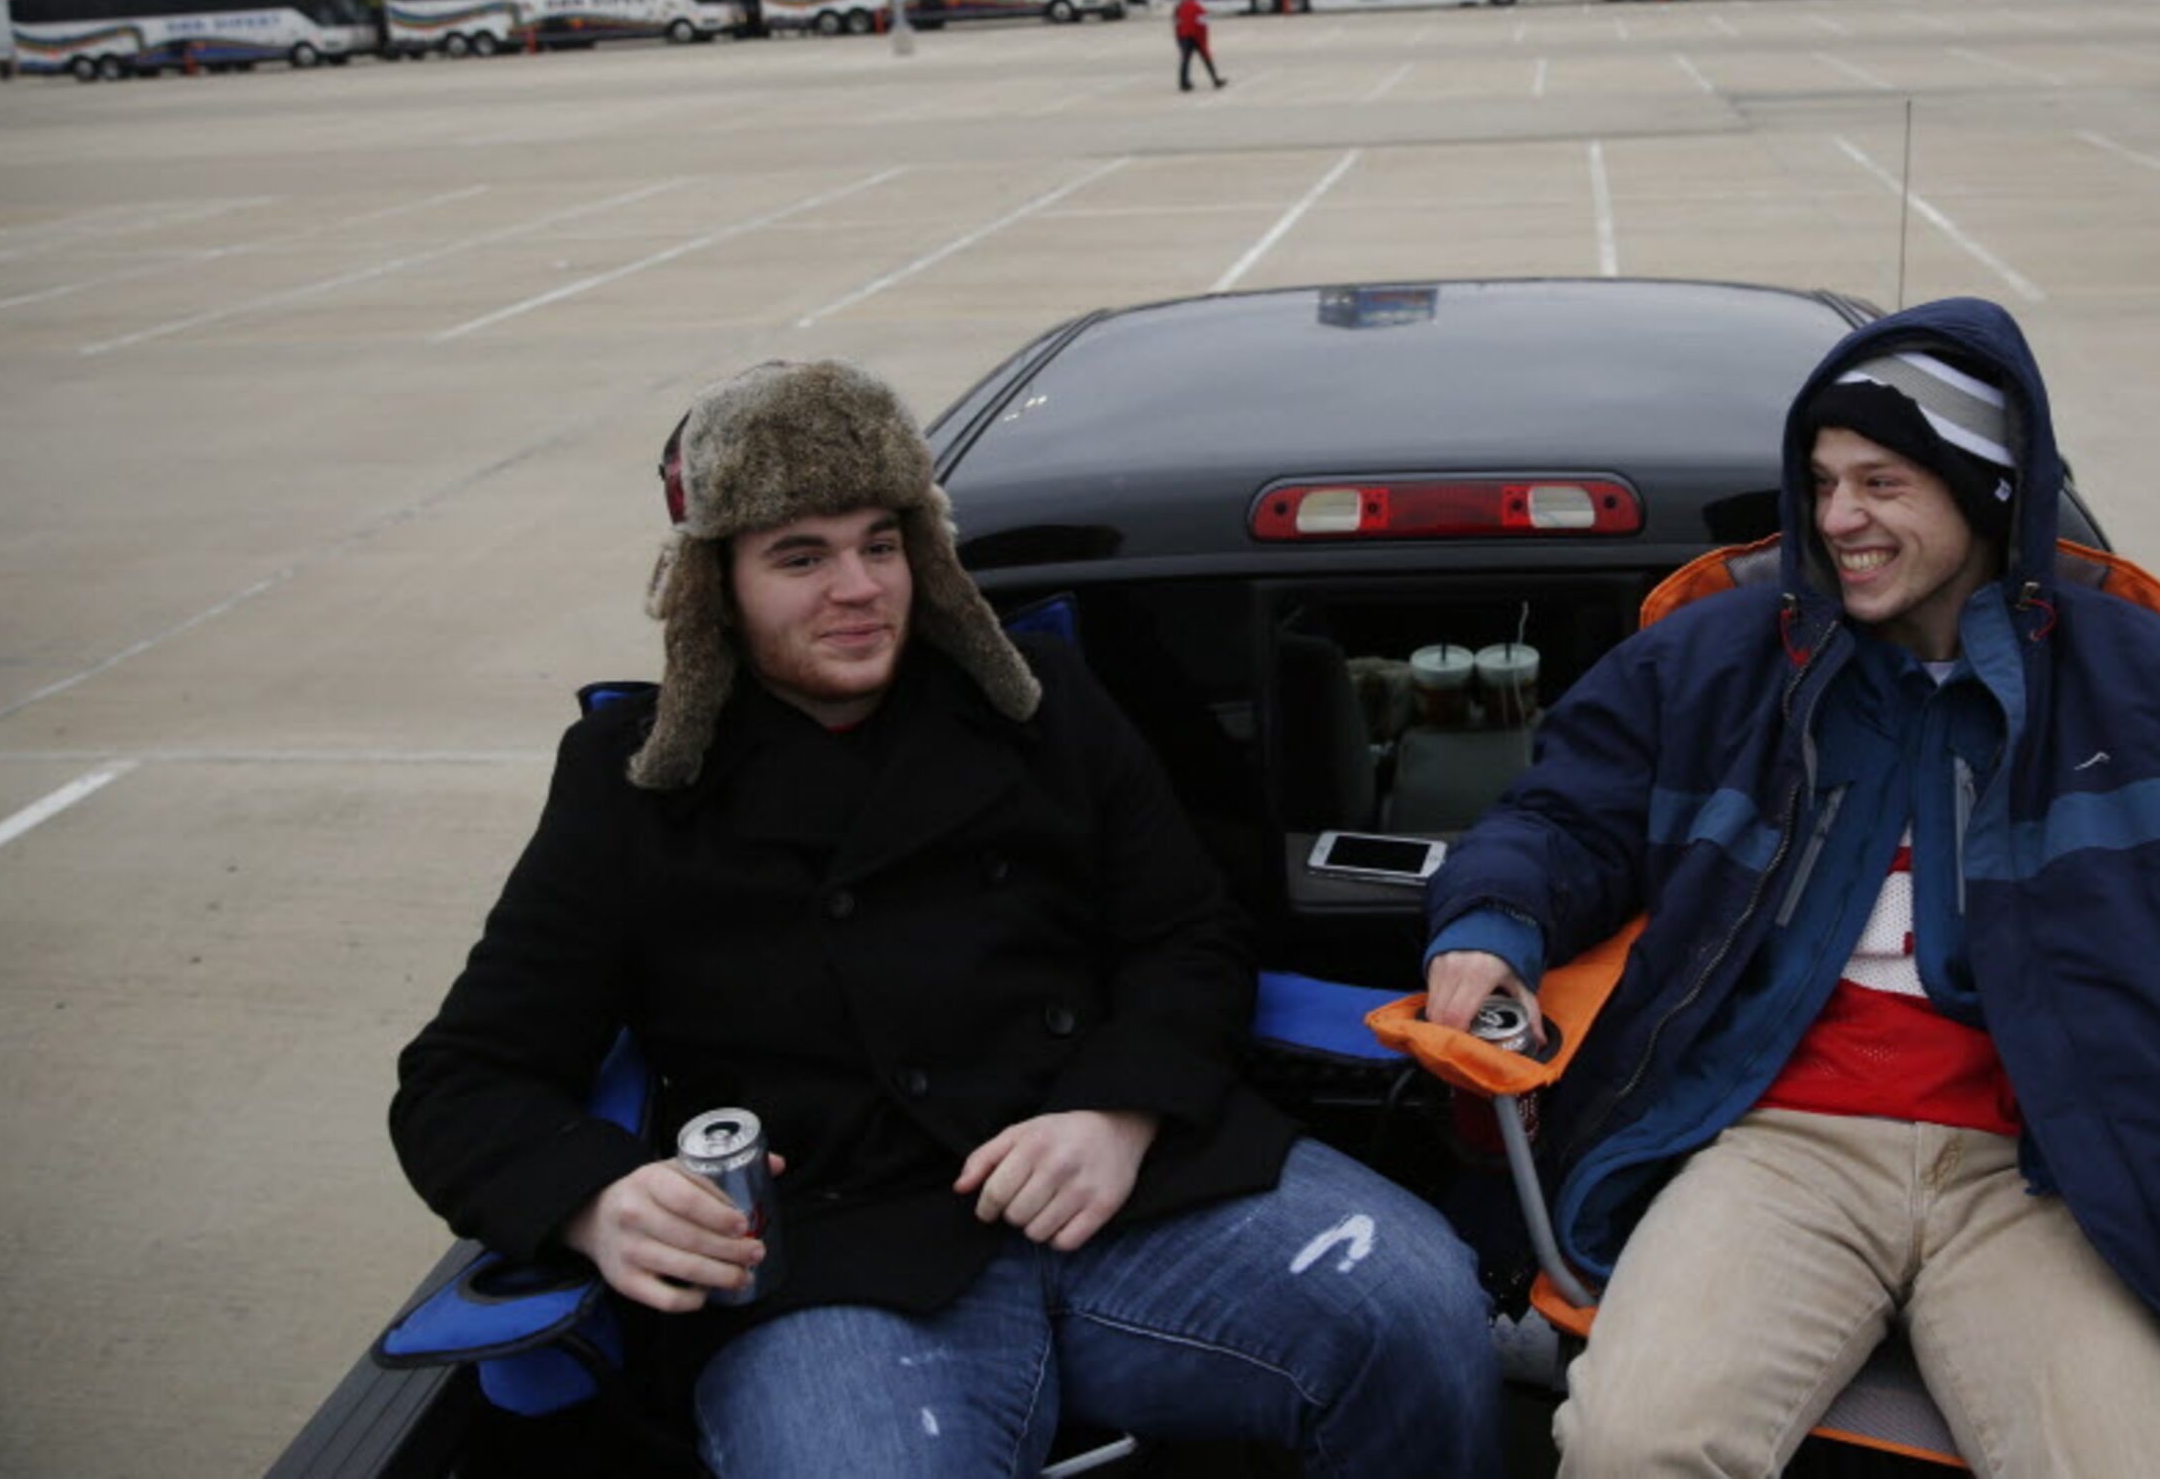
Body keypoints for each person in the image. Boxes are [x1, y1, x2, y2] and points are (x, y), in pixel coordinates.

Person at [394, 359, 1499, 1478]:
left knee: (1416, 1311)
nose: (858, 586)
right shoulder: (628, 789)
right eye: (799, 556)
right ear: (712, 584)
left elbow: (1191, 935)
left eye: (880, 543)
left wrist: (1118, 1111)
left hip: (1128, 1189)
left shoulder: (1042, 702)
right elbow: (464, 1078)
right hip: (840, 1256)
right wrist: (593, 1198)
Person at [1420, 297, 2160, 1478]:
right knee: (1632, 1447)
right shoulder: (1712, 663)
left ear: (1986, 494)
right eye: (1820, 481)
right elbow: (1556, 817)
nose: (1837, 519)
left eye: (1881, 483)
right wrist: (1491, 925)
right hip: (1769, 1141)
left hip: (2060, 1167)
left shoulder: (2155, 687)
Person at [1173, 0, 1224, 92]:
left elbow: (1177, 24)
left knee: (1185, 60)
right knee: (1206, 59)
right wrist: (1204, 42)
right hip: (1197, 37)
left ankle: (1183, 83)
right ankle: (1215, 80)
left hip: (1184, 37)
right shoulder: (1199, 8)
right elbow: (1203, 25)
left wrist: (1179, 38)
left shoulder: (1180, 7)